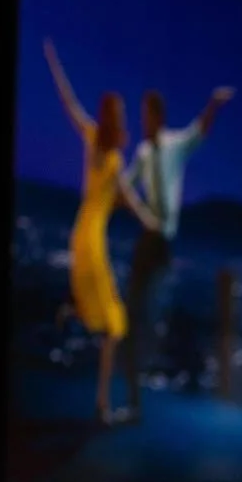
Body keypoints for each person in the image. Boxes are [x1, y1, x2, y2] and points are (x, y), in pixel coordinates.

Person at [43, 42, 161, 426]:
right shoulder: (97, 141)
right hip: (90, 236)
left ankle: (75, 310)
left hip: (88, 233)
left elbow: (124, 197)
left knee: (110, 321)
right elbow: (69, 102)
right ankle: (100, 405)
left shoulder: (108, 153)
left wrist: (146, 219)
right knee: (113, 324)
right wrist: (55, 65)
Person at [121, 83, 232, 418]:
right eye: (142, 116)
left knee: (154, 313)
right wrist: (138, 209)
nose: (144, 122)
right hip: (147, 238)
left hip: (164, 242)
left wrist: (213, 103)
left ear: (158, 117)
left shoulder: (174, 145)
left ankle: (152, 383)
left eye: (147, 115)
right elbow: (124, 186)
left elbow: (200, 130)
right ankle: (133, 396)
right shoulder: (142, 153)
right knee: (134, 315)